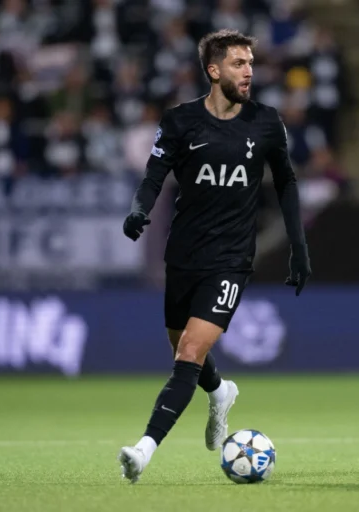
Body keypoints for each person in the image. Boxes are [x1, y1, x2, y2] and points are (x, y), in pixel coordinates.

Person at [118, 29, 311, 483]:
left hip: (230, 259)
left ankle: (143, 450)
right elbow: (154, 175)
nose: (249, 72)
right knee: (182, 349)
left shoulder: (266, 122)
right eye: (239, 64)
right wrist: (139, 208)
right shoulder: (180, 121)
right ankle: (221, 392)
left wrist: (298, 248)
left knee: (188, 350)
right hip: (184, 254)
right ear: (214, 70)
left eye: (250, 63)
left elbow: (286, 182)